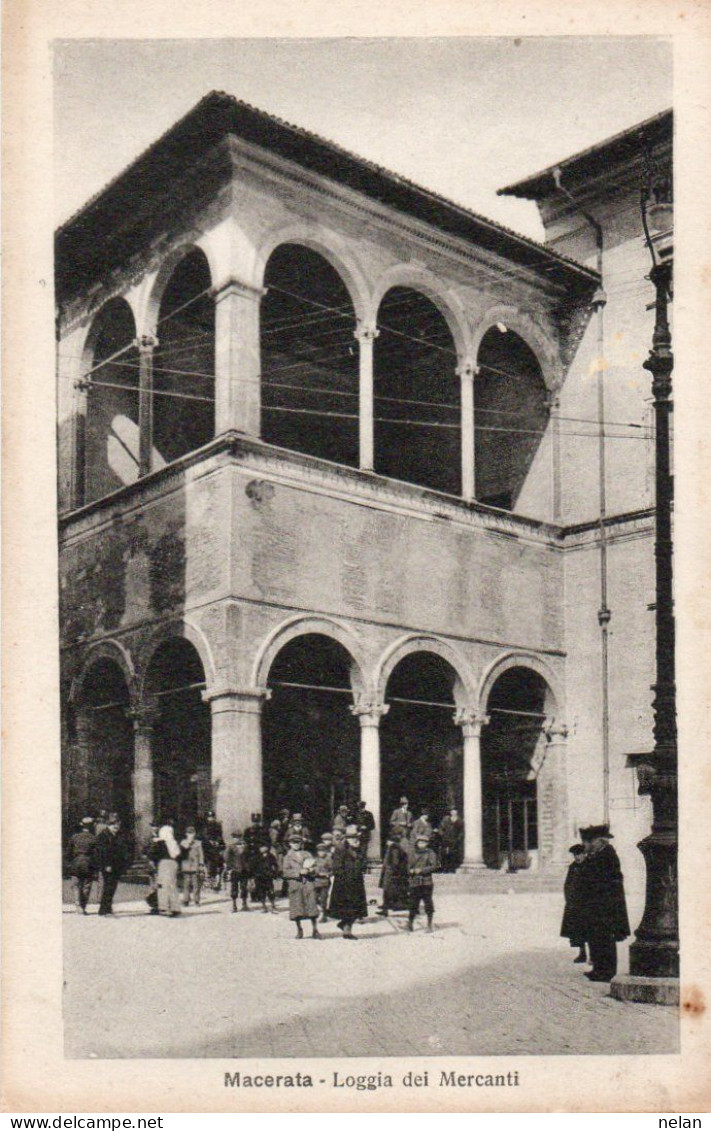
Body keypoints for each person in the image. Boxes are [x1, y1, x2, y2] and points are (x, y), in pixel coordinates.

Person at [577, 824, 630, 981]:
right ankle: (598, 968)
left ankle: (606, 971)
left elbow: (608, 881)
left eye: (590, 842)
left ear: (599, 841)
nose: (587, 845)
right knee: (595, 937)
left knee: (605, 938)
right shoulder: (597, 856)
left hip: (605, 906)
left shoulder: (607, 856)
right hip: (596, 905)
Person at [328, 826, 368, 939]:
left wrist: (359, 853)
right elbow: (336, 866)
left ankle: (344, 926)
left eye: (355, 837)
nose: (354, 839)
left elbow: (364, 864)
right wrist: (343, 877)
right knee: (347, 908)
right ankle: (347, 931)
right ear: (346, 838)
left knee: (356, 908)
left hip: (357, 881)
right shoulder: (341, 848)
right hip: (344, 883)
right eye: (351, 837)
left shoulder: (359, 848)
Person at [282, 833, 321, 939]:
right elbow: (285, 872)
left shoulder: (307, 854)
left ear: (301, 843)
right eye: (293, 842)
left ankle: (315, 929)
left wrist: (311, 870)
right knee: (297, 909)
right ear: (289, 844)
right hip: (296, 885)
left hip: (308, 883)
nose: (296, 844)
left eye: (298, 842)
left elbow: (316, 867)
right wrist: (299, 872)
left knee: (312, 907)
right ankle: (299, 929)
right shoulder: (287, 857)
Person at [95, 815, 129, 916]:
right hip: (108, 865)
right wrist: (107, 864)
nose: (116, 826)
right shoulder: (103, 835)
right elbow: (103, 852)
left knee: (112, 887)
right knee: (108, 887)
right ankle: (104, 909)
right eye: (113, 824)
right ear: (109, 825)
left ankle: (107, 908)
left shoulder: (117, 835)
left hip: (116, 865)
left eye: (117, 824)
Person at [560, 844, 588, 963]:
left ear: (584, 854)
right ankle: (582, 953)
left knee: (591, 930)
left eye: (579, 854)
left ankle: (594, 955)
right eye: (575, 855)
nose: (577, 857)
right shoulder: (573, 867)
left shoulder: (590, 866)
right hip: (575, 904)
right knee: (578, 930)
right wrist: (569, 899)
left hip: (588, 903)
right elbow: (567, 884)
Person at [406, 832, 439, 932]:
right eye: (420, 842)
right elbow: (407, 866)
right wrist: (410, 871)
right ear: (416, 843)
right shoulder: (412, 853)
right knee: (413, 903)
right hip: (414, 881)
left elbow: (434, 866)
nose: (421, 844)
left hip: (426, 882)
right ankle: (410, 923)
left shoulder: (431, 853)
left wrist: (422, 870)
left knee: (428, 903)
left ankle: (429, 924)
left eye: (424, 842)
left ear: (427, 843)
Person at [149, 823, 182, 916]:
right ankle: (175, 907)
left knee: (162, 886)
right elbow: (179, 855)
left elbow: (152, 854)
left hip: (164, 864)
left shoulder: (160, 842)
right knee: (172, 886)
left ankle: (163, 907)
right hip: (174, 864)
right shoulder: (174, 843)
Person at [377, 831, 410, 916]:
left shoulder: (394, 848)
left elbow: (395, 862)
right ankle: (386, 907)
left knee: (387, 890)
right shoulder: (395, 847)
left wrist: (391, 871)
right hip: (390, 872)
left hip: (390, 873)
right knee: (388, 890)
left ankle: (386, 908)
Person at [68, 817, 97, 914]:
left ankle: (78, 905)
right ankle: (83, 906)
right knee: (86, 885)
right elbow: (96, 853)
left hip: (76, 862)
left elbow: (69, 851)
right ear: (92, 826)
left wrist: (69, 862)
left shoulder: (75, 837)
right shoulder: (93, 838)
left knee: (76, 885)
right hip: (88, 862)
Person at [224, 831, 250, 912]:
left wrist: (248, 866)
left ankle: (244, 904)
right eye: (235, 837)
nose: (237, 839)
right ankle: (234, 905)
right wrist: (229, 867)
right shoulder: (230, 846)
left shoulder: (245, 846)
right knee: (234, 887)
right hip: (234, 870)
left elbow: (248, 857)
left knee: (244, 887)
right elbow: (226, 857)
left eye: (239, 837)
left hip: (244, 869)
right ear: (233, 838)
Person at [180, 825, 205, 907]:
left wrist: (201, 865)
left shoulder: (198, 843)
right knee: (186, 884)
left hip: (195, 866)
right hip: (186, 865)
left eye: (192, 833)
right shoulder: (183, 842)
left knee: (196, 884)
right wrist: (188, 843)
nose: (191, 835)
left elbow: (201, 855)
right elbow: (181, 853)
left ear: (195, 834)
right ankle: (186, 900)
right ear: (186, 834)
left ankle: (196, 900)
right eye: (189, 833)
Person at [252, 844, 279, 912]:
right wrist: (253, 876)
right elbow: (252, 867)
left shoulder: (271, 856)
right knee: (261, 892)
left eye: (265, 847)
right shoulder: (256, 857)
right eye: (261, 847)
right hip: (259, 877)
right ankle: (264, 906)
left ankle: (273, 905)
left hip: (268, 877)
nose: (263, 849)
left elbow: (275, 865)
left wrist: (274, 873)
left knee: (271, 891)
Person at [203, 811, 225, 890]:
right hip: (207, 849)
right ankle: (208, 883)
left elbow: (220, 836)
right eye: (209, 817)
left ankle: (215, 883)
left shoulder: (217, 825)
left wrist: (218, 842)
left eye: (211, 817)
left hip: (215, 849)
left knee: (216, 866)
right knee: (208, 866)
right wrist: (210, 841)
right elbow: (204, 836)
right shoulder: (205, 825)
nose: (210, 819)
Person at [438, 808, 464, 872]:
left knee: (453, 854)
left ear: (457, 812)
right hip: (446, 840)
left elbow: (462, 831)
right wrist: (442, 835)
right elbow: (440, 828)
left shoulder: (460, 821)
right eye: (452, 812)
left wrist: (458, 838)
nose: (453, 813)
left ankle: (452, 868)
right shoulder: (445, 819)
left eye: (455, 812)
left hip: (454, 840)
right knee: (444, 854)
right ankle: (445, 868)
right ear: (450, 812)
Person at [314, 842, 333, 922]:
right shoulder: (315, 859)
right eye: (319, 851)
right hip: (316, 881)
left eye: (322, 851)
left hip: (325, 882)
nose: (321, 852)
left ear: (325, 851)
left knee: (323, 899)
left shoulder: (329, 859)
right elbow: (311, 868)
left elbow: (333, 870)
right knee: (314, 898)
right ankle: (320, 911)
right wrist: (315, 872)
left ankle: (324, 915)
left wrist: (328, 874)